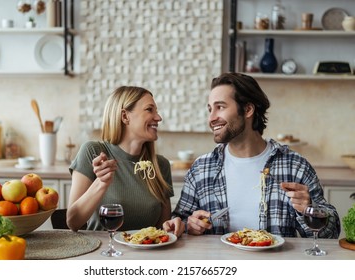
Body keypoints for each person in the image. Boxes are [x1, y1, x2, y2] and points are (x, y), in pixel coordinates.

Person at [163, 72, 340, 238]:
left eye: (220, 107)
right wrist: (189, 225)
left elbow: (331, 233)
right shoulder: (201, 169)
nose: (211, 118)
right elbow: (179, 221)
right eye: (210, 109)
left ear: (248, 110)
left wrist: (309, 209)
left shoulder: (294, 166)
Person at [67, 86, 183, 235]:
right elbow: (72, 222)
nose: (158, 117)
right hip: (102, 253)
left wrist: (172, 226)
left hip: (145, 255)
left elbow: (162, 230)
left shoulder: (161, 165)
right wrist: (101, 184)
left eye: (157, 111)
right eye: (149, 110)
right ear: (125, 116)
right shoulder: (93, 152)